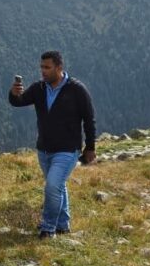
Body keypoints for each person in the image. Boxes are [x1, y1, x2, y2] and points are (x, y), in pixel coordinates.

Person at [9, 51, 96, 239]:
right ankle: (63, 224)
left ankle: (48, 228)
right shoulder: (39, 88)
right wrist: (14, 94)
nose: (43, 71)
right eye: (41, 67)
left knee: (52, 186)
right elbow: (19, 102)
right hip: (44, 150)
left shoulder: (77, 90)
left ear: (59, 68)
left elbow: (89, 120)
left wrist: (90, 147)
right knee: (58, 186)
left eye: (47, 67)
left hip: (67, 149)